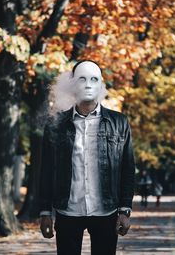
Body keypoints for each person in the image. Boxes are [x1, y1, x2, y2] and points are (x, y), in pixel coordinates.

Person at [38, 60, 136, 255]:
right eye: (82, 79)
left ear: (100, 84)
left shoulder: (119, 122)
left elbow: (127, 169)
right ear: (72, 84)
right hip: (68, 211)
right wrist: (45, 212)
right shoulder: (56, 124)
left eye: (94, 79)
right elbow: (47, 170)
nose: (89, 84)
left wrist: (125, 210)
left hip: (106, 212)